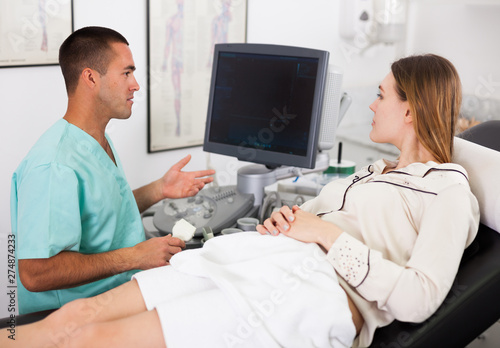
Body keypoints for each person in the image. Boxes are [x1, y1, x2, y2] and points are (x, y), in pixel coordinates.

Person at [3, 54, 479, 348]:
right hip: (256, 258)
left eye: (381, 96)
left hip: (309, 291)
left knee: (93, 340)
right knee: (76, 317)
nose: (372, 104)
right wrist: (291, 220)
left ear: (412, 108)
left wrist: (321, 232)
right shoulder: (373, 172)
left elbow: (418, 297)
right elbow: (319, 222)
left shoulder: (448, 191)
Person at [10, 26, 215, 315]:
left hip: (119, 294)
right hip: (70, 319)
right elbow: (35, 273)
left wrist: (159, 189)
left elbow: (102, 212)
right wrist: (134, 257)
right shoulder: (54, 165)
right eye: (127, 73)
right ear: (91, 77)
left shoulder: (95, 139)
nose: (136, 85)